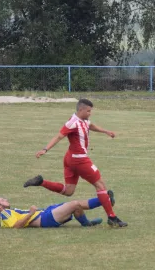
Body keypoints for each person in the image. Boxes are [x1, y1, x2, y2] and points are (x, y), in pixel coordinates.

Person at [23, 98, 127, 228]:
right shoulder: (72, 123)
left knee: (69, 191)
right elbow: (59, 136)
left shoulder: (83, 120)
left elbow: (90, 125)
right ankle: (112, 217)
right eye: (88, 111)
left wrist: (105, 131)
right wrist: (45, 149)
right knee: (100, 185)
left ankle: (41, 182)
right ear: (81, 110)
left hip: (70, 158)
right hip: (80, 159)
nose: (90, 113)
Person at [0, 194, 116, 228]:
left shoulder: (9, 212)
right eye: (2, 200)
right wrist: (31, 213)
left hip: (46, 213)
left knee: (76, 204)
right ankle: (105, 201)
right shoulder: (4, 214)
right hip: (45, 219)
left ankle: (105, 201)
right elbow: (16, 226)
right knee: (75, 204)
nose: (6, 200)